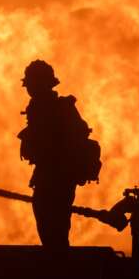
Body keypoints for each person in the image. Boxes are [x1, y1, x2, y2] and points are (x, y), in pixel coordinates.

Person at [17, 59, 99, 248]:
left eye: (32, 84)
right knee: (49, 227)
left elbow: (68, 142)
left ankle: (57, 260)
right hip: (48, 175)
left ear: (42, 84)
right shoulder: (40, 108)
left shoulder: (59, 109)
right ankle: (55, 256)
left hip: (58, 178)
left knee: (55, 230)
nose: (29, 90)